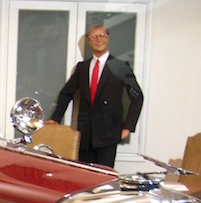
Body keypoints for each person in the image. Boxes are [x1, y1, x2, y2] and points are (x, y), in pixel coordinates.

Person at [47, 24, 144, 167]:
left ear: (108, 38)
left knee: (104, 178)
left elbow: (137, 97)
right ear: (88, 41)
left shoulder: (121, 67)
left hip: (109, 133)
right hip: (85, 134)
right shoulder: (82, 67)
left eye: (102, 35)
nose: (99, 39)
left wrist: (127, 128)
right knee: (84, 177)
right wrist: (55, 118)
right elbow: (66, 94)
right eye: (94, 36)